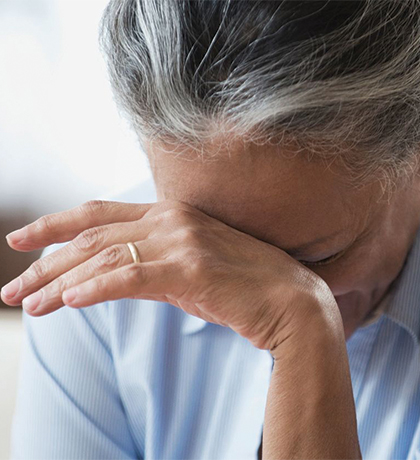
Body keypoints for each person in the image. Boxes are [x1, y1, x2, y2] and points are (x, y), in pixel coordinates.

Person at [3, 1, 420, 458]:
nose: (248, 283)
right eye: (200, 238)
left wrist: (304, 337)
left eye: (315, 258)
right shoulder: (101, 296)